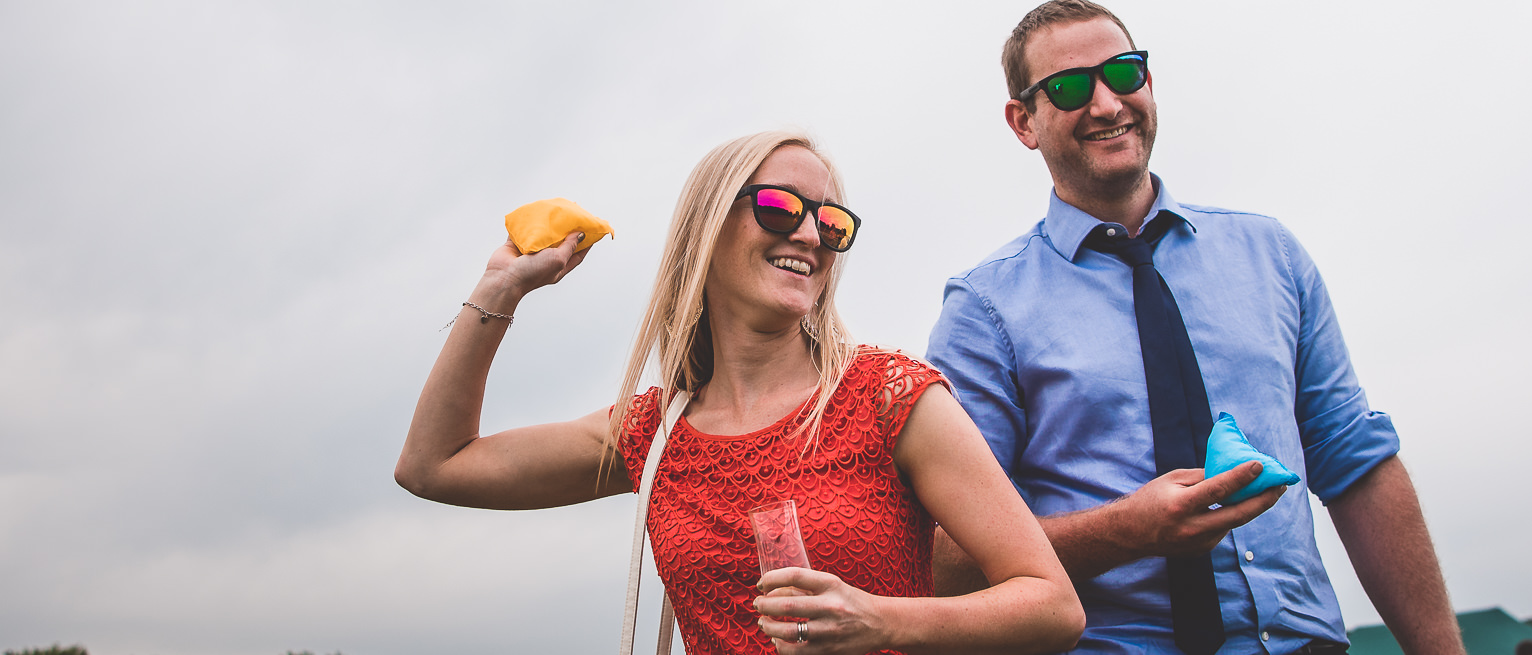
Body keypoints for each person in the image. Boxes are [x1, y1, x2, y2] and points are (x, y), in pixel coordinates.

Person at [397, 130, 1084, 655]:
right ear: (707, 226)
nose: (812, 234)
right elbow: (435, 465)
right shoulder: (653, 431)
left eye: (831, 221)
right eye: (783, 208)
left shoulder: (887, 395)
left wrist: (877, 616)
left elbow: (1052, 604)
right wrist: (497, 292)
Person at [926, 0, 1464, 655]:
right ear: (1023, 121)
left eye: (1124, 73)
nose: (1105, 103)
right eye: (1068, 87)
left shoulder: (1272, 255)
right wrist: (1130, 528)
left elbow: (1358, 466)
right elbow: (947, 557)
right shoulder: (985, 309)